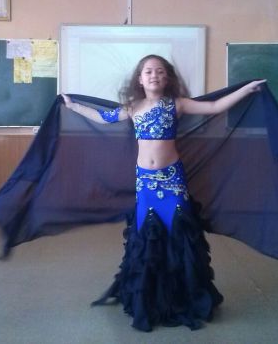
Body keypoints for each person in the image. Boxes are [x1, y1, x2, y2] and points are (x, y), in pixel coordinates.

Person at [59, 55, 265, 331]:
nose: (154, 75)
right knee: (148, 237)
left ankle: (183, 296)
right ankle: (150, 298)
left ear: (167, 78)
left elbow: (215, 106)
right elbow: (103, 117)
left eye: (159, 71)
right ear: (140, 79)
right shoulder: (133, 107)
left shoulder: (177, 104)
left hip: (172, 180)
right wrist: (73, 106)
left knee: (178, 234)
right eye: (148, 72)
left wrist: (246, 90)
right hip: (145, 182)